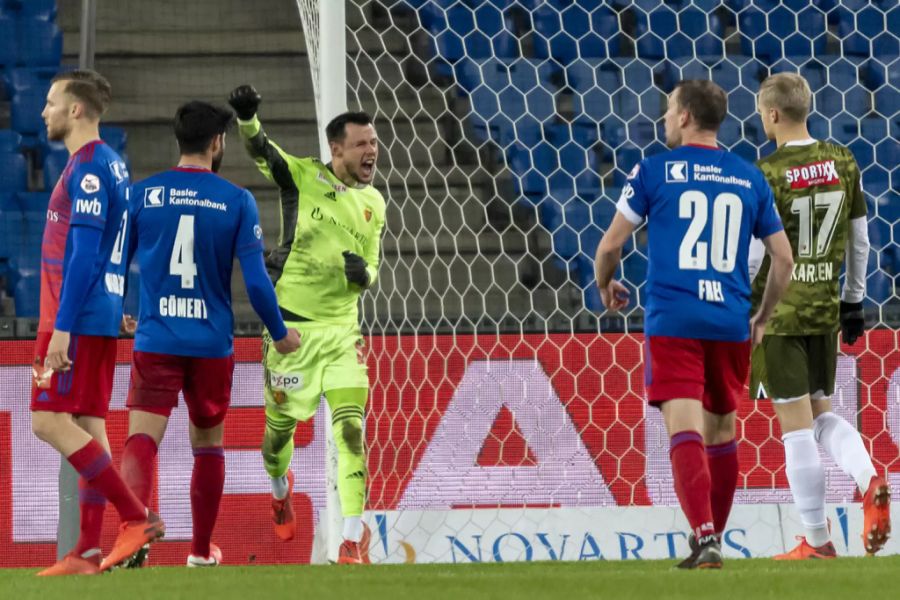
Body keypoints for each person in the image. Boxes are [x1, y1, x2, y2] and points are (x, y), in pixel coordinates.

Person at [595, 80, 794, 569]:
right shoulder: (749, 177)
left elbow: (609, 246)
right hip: (729, 322)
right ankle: (715, 538)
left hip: (674, 319)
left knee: (684, 429)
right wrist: (762, 316)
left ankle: (703, 536)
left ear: (684, 116)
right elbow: (784, 260)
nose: (664, 119)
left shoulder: (654, 170)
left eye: (667, 110)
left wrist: (605, 284)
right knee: (722, 432)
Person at [117, 101, 300, 568]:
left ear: (178, 141)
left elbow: (113, 261)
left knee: (142, 438)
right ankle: (200, 552)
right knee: (208, 444)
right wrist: (279, 332)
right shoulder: (236, 199)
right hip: (211, 344)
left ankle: (132, 531)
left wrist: (116, 311)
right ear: (218, 142)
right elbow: (256, 281)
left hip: (156, 338)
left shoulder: (143, 194)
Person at [227, 85, 385, 564]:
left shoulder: (375, 203)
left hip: (342, 334)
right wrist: (248, 117)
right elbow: (263, 153)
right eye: (361, 144)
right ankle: (280, 488)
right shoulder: (303, 177)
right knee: (277, 439)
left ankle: (351, 540)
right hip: (291, 335)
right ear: (336, 148)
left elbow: (373, 265)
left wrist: (367, 274)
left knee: (352, 433)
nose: (371, 152)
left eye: (374, 144)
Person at [749, 72, 890, 560]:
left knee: (795, 427)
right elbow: (861, 237)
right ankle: (870, 478)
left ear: (771, 114)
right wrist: (853, 301)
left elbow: (753, 255)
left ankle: (817, 540)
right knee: (820, 413)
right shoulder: (843, 160)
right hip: (824, 308)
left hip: (780, 312)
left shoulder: (765, 173)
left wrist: (744, 310)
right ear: (806, 109)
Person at [31, 69, 164, 576]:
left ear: (76, 110)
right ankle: (86, 553)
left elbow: (86, 253)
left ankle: (136, 517)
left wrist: (62, 326)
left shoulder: (87, 169)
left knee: (47, 421)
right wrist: (118, 301)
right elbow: (118, 248)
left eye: (51, 102)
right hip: (97, 313)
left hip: (73, 316)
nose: (44, 111)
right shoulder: (113, 165)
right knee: (88, 424)